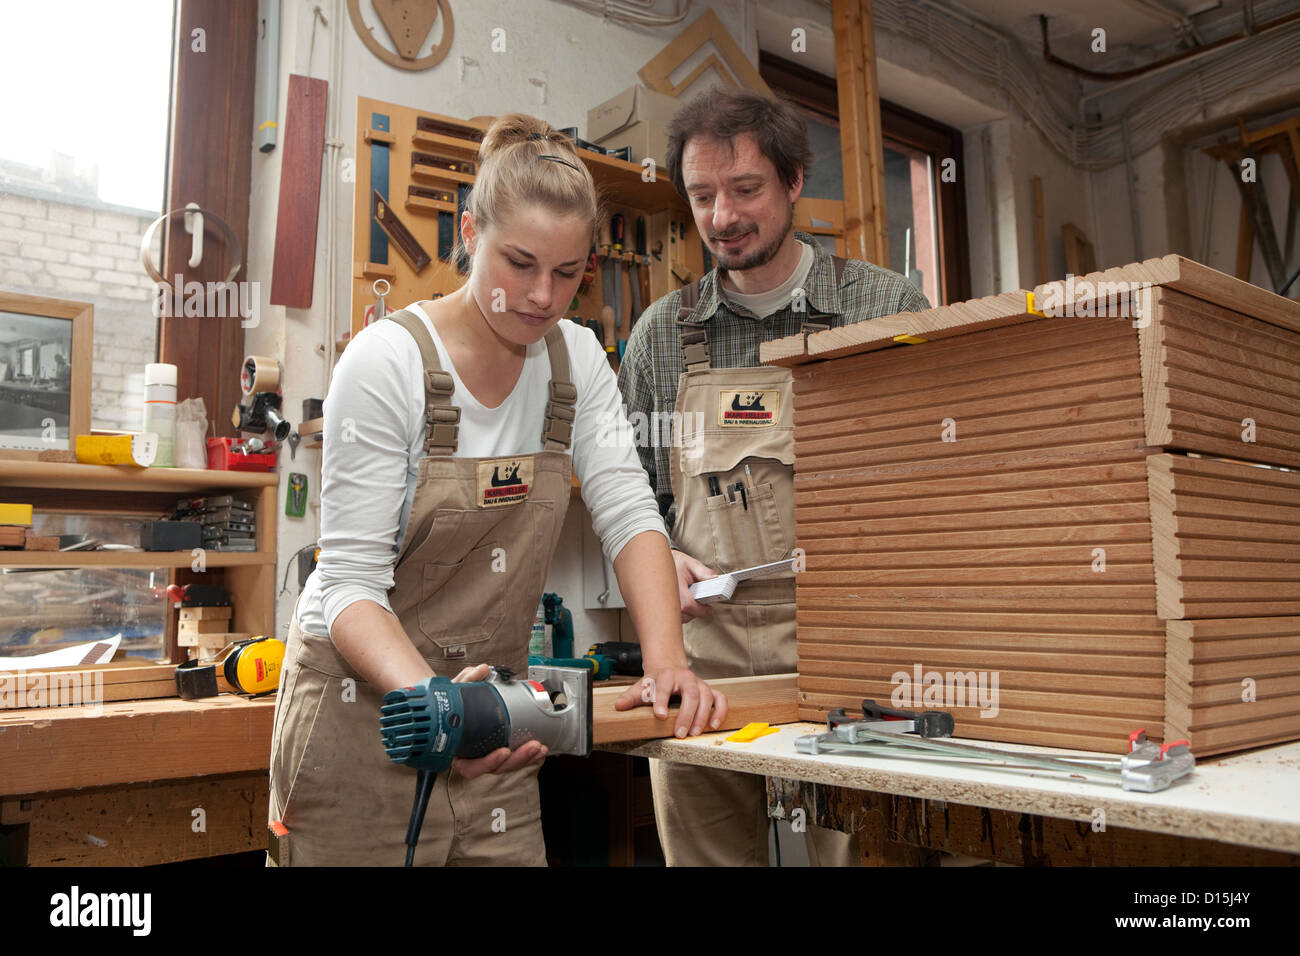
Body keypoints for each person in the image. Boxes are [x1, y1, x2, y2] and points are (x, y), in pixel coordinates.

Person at [270, 113, 726, 866]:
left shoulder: (576, 361)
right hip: (368, 716)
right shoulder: (387, 363)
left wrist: (666, 660)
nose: (543, 296)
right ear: (469, 230)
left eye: (569, 272)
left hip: (493, 723)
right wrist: (442, 711)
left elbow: (627, 510)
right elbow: (349, 585)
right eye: (519, 263)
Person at [617, 88, 931, 867]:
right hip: (701, 667)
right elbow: (631, 505)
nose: (722, 216)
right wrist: (663, 559)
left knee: (859, 858)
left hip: (850, 662)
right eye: (702, 196)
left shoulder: (883, 308)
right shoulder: (662, 336)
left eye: (746, 189)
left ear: (794, 182)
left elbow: (933, 484)